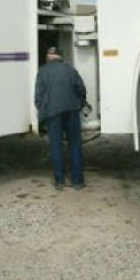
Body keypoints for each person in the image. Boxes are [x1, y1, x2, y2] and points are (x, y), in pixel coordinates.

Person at [34, 46, 87, 190]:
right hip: (72, 110)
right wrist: (80, 104)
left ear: (48, 56)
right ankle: (77, 181)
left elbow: (38, 96)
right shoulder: (70, 70)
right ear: (60, 57)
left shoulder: (42, 71)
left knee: (56, 146)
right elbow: (81, 89)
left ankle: (60, 181)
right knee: (75, 145)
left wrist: (42, 113)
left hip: (53, 113)